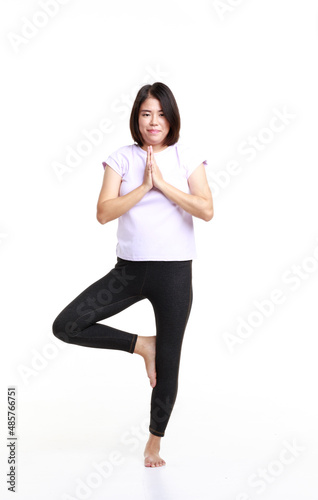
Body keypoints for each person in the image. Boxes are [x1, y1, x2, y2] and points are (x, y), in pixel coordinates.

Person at [52, 81, 213, 467]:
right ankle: (142, 345)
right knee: (68, 325)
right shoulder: (120, 159)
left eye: (160, 113)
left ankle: (154, 442)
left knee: (170, 364)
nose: (153, 121)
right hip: (129, 272)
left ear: (171, 117)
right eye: (145, 114)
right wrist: (143, 186)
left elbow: (205, 209)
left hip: (174, 274)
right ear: (136, 119)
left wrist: (163, 184)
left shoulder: (187, 157)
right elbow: (104, 213)